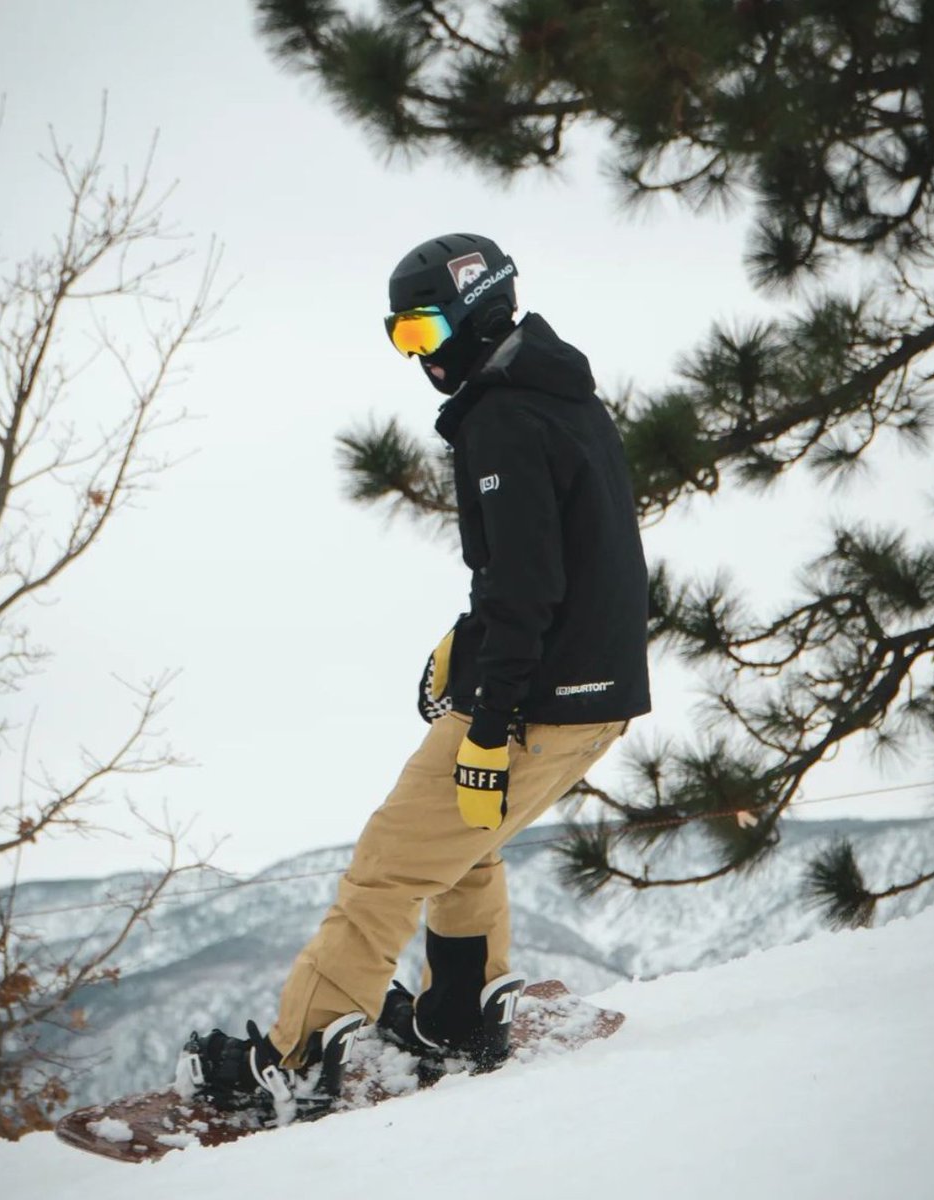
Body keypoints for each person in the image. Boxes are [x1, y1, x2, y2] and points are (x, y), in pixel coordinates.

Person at [178, 233, 651, 1119]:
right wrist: (469, 649)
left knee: (386, 868)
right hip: (586, 691)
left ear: (479, 313)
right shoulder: (561, 397)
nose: (418, 356)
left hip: (539, 701)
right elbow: (554, 564)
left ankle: (295, 1063)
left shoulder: (502, 418)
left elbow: (527, 585)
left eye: (426, 331)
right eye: (400, 337)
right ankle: (459, 1015)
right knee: (460, 841)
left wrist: (488, 721)